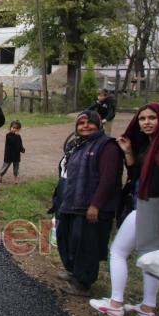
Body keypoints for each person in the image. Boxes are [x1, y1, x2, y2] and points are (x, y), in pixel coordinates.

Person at [90, 103, 159, 316]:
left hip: (155, 208)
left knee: (118, 251)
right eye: (142, 119)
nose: (146, 122)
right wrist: (128, 152)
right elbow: (139, 175)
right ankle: (147, 308)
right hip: (145, 205)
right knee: (149, 257)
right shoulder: (153, 143)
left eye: (152, 118)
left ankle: (116, 304)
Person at [54, 111, 123, 296]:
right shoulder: (77, 144)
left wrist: (96, 205)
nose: (85, 126)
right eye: (81, 123)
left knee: (86, 244)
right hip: (71, 202)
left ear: (99, 125)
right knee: (69, 239)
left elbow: (109, 179)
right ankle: (73, 271)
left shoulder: (107, 146)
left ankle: (83, 283)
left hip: (89, 205)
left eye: (90, 122)